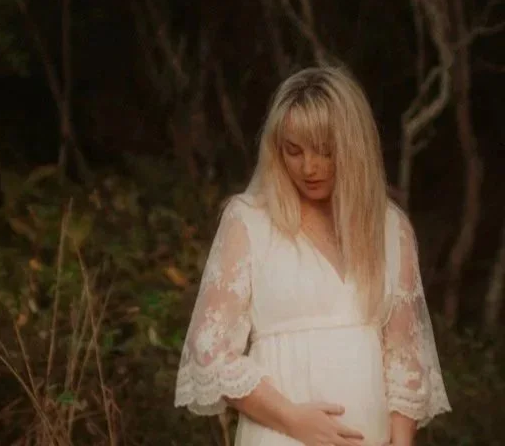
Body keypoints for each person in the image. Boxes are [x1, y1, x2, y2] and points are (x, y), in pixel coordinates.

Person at [174, 66, 450, 446]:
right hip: (278, 437)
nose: (309, 167)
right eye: (294, 150)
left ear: (354, 147)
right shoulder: (249, 220)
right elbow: (210, 351)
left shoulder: (390, 228)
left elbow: (406, 360)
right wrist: (294, 420)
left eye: (325, 150)